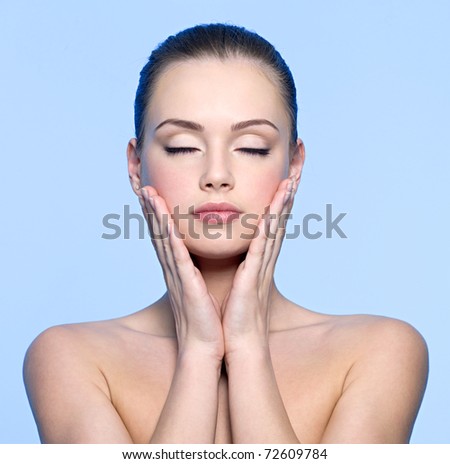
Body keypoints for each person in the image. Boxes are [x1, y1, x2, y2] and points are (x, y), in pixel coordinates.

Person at [23, 23, 428, 444]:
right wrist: (198, 353)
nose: (217, 176)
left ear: (293, 165)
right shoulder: (69, 358)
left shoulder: (379, 352)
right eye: (182, 146)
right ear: (136, 164)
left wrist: (248, 348)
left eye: (252, 147)